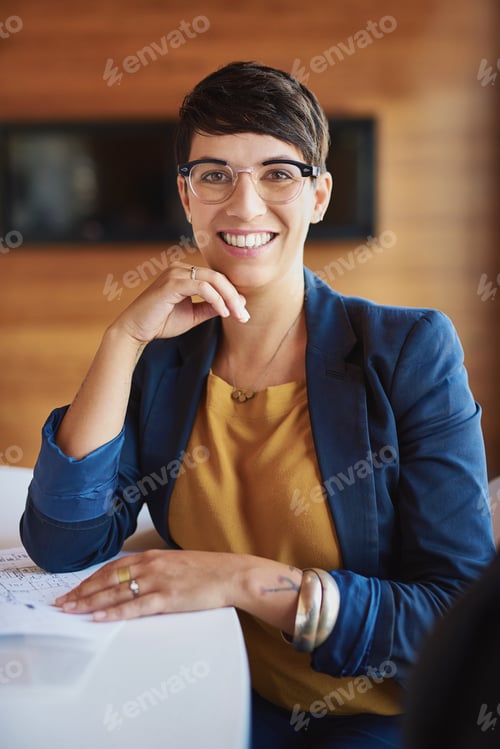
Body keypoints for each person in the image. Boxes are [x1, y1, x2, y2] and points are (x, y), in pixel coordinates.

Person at [21, 61, 495, 748]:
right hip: (211, 689)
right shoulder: (165, 357)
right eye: (215, 174)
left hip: (377, 722)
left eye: (278, 173)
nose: (244, 206)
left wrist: (243, 579)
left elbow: (455, 615)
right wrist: (122, 339)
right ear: (187, 196)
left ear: (320, 194)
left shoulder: (409, 350)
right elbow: (63, 541)